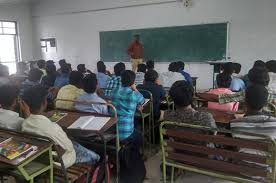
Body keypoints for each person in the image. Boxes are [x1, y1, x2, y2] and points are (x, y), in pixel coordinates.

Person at [22, 85, 100, 168]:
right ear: (44, 103)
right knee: (95, 157)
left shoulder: (24, 124)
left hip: (41, 158)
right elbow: (69, 147)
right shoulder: (52, 128)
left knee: (76, 144)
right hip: (60, 161)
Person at [198, 67, 276, 112]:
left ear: (250, 79)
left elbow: (221, 98)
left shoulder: (249, 92)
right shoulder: (273, 92)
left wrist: (198, 94)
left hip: (248, 123)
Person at [230, 85, 276, 156]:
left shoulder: (234, 124)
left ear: (245, 102)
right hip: (267, 166)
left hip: (241, 164)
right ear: (266, 104)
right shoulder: (274, 123)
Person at [111, 70, 145, 145]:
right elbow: (143, 101)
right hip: (126, 132)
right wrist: (135, 88)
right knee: (140, 135)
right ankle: (136, 155)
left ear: (121, 80)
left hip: (113, 129)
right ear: (133, 82)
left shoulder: (114, 91)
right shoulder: (134, 94)